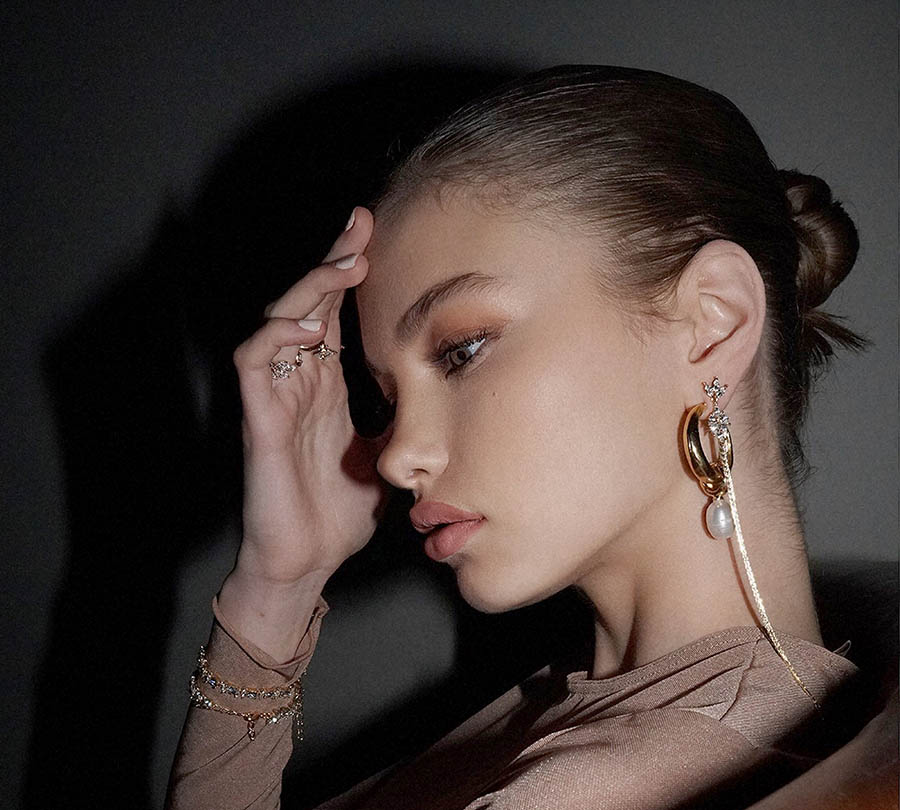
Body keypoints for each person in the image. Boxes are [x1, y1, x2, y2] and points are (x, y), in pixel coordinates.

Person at [166, 65, 870, 809]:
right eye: (387, 398)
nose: (398, 457)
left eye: (461, 351)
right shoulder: (599, 706)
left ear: (713, 320)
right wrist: (281, 582)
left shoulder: (597, 786)